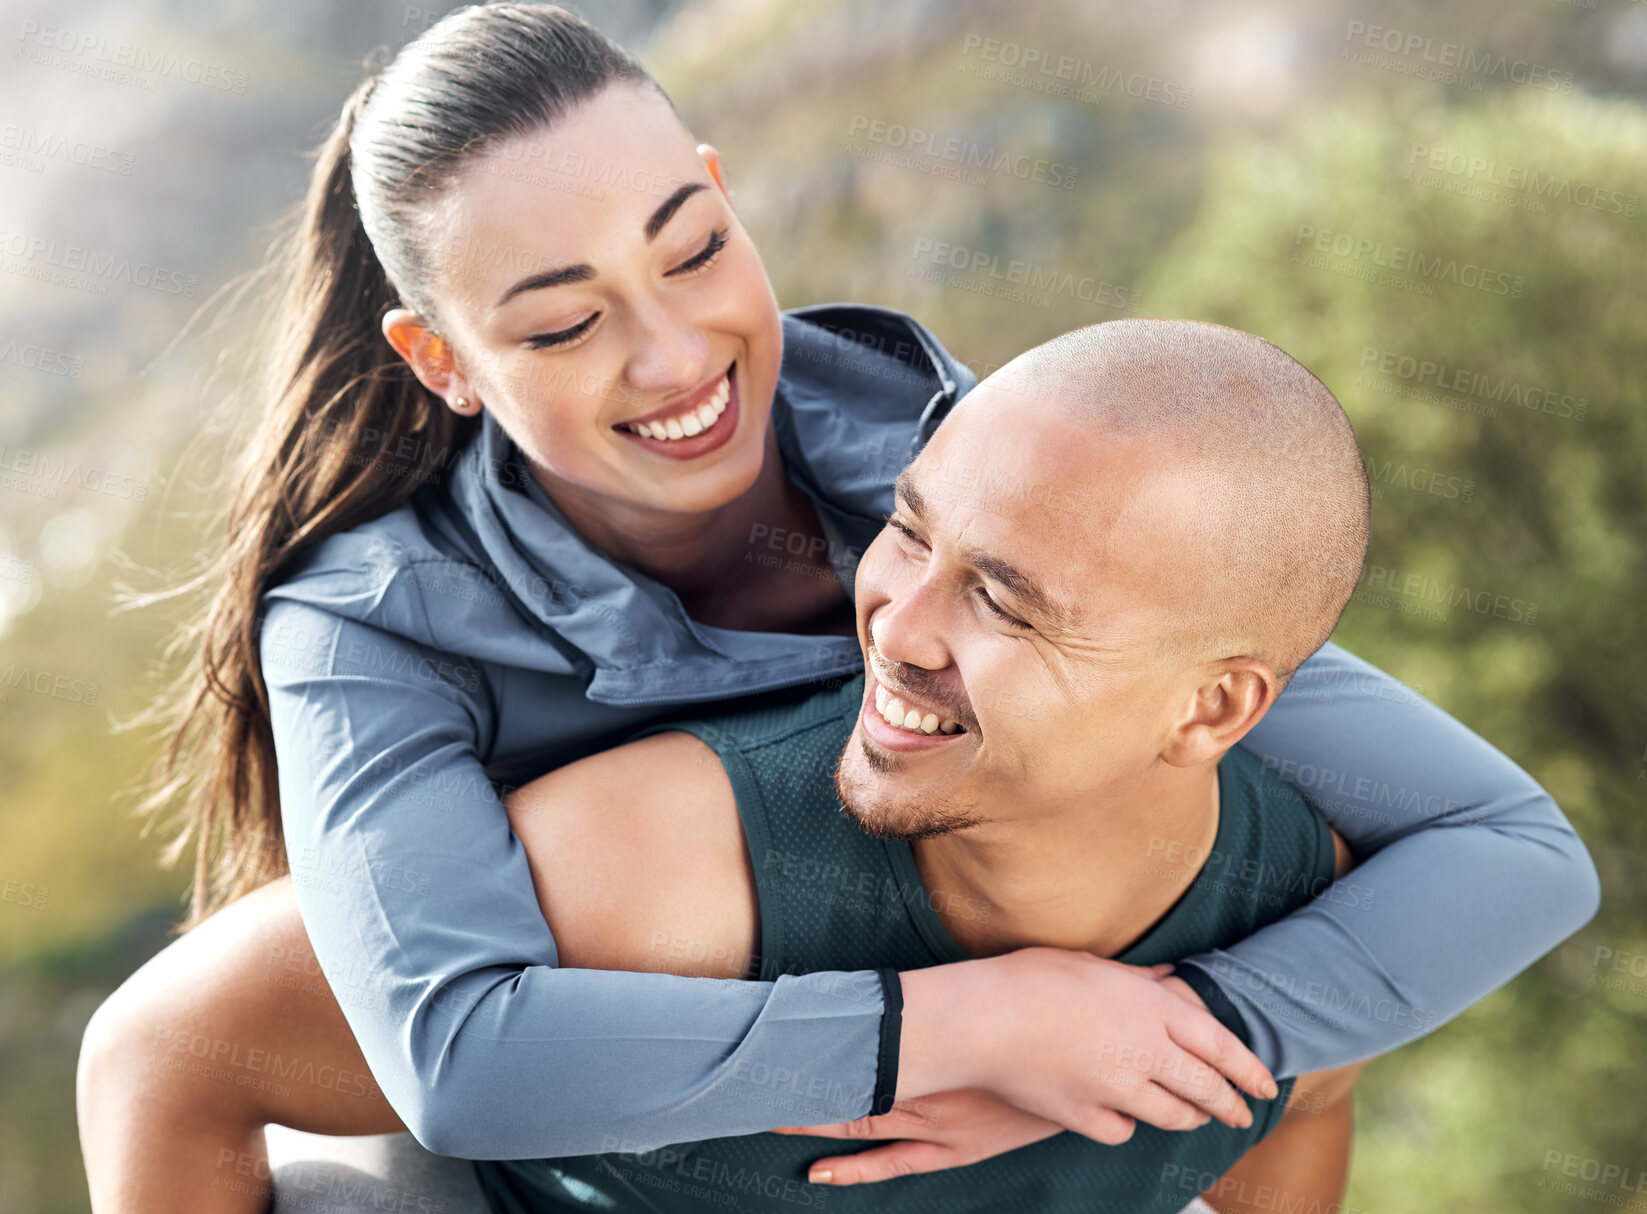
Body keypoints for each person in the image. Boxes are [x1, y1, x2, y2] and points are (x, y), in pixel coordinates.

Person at [74, 7, 1598, 1214]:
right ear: (443, 360)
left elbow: (1504, 849)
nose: (675, 356)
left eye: (691, 248)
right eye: (563, 319)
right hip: (553, 1151)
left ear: (729, 198)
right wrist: (970, 1027)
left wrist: (1165, 1029)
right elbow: (457, 1061)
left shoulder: (930, 450)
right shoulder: (369, 626)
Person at [485, 318, 1382, 1214]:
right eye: (909, 531)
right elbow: (369, 1067)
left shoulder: (1299, 931)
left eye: (999, 601)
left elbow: (1305, 1107)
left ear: (1209, 708)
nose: (891, 627)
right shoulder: (647, 870)